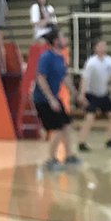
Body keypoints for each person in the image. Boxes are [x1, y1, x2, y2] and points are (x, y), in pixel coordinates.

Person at [32, 29, 80, 171]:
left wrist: (75, 93)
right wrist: (51, 99)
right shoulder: (46, 57)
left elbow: (65, 77)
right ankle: (50, 160)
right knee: (58, 129)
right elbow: (40, 79)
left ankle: (69, 155)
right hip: (43, 99)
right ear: (55, 41)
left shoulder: (60, 58)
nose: (66, 39)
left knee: (66, 126)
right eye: (63, 36)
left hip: (54, 98)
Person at [78, 39, 111, 152]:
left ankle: (109, 140)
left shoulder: (109, 60)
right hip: (92, 94)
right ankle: (81, 143)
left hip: (104, 94)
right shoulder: (91, 62)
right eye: (100, 45)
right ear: (95, 48)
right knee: (89, 118)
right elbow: (85, 79)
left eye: (104, 45)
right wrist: (82, 95)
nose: (103, 47)